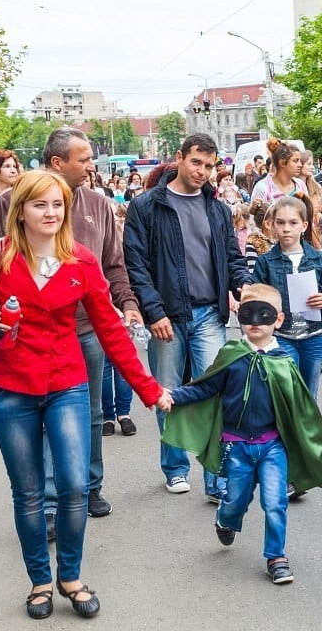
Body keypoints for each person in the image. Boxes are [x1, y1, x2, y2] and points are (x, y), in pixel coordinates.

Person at [0, 170, 168, 620]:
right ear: (21, 211)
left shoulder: (81, 262)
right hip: (10, 389)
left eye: (57, 205)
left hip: (67, 384)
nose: (50, 213)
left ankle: (70, 576)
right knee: (28, 493)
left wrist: (148, 390)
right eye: (39, 205)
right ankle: (39, 582)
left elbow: (111, 332)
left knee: (73, 484)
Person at [0, 128, 142, 523]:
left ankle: (89, 488)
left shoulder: (99, 205)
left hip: (86, 329)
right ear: (58, 163)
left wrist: (129, 304)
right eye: (84, 159)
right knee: (39, 414)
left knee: (89, 411)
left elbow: (113, 265)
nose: (91, 166)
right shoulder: (10, 202)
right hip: (27, 332)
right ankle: (50, 503)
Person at [162, 284, 322, 585]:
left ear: (279, 319)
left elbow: (300, 409)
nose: (256, 321)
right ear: (239, 315)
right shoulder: (232, 355)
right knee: (236, 499)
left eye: (265, 314)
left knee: (275, 502)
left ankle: (276, 557)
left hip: (273, 446)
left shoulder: (285, 360)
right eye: (249, 314)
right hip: (236, 447)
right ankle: (226, 518)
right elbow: (205, 386)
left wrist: (310, 446)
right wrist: (174, 396)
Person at [123, 133, 252, 502]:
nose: (202, 171)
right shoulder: (147, 206)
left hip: (210, 313)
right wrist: (154, 311)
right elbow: (137, 265)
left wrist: (244, 288)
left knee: (213, 394)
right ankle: (175, 467)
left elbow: (232, 258)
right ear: (179, 158)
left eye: (210, 166)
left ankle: (215, 477)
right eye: (196, 162)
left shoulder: (218, 208)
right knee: (167, 395)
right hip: (166, 317)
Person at [252, 196, 322, 401]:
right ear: (272, 225)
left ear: (304, 225)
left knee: (309, 394)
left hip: (314, 336)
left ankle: (307, 432)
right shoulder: (265, 262)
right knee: (286, 392)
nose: (286, 229)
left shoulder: (318, 258)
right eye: (280, 223)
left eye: (293, 223)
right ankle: (285, 432)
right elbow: (258, 296)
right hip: (282, 336)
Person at [250, 139, 307, 204]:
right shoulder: (262, 188)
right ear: (282, 163)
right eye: (295, 161)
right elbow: (255, 213)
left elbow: (307, 212)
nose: (300, 165)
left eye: (300, 161)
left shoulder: (300, 185)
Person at [245, 199, 275, 272]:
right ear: (268, 224)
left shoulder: (281, 242)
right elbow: (252, 272)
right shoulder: (253, 244)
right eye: (279, 221)